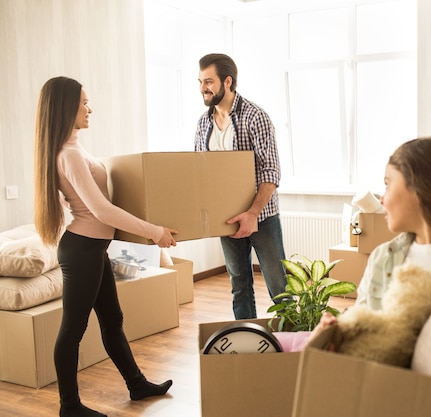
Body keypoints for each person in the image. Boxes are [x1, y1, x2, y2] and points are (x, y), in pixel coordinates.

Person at [33, 76, 178, 417]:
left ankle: (137, 384)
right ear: (66, 106)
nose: (89, 108)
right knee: (73, 329)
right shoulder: (67, 154)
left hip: (94, 248)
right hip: (82, 249)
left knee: (113, 320)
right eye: (84, 102)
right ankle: (69, 407)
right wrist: (154, 232)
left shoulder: (76, 147)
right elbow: (101, 210)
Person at [316, 137, 431, 331]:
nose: (382, 199)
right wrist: (340, 331)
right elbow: (364, 331)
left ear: (419, 187)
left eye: (388, 185)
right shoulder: (382, 258)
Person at [193, 53, 287, 320]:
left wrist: (252, 214)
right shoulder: (203, 123)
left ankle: (294, 349)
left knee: (278, 286)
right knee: (239, 286)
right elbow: (201, 173)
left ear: (228, 81)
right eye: (200, 82)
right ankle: (248, 343)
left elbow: (271, 171)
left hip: (262, 217)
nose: (203, 88)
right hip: (227, 219)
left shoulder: (255, 117)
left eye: (209, 81)